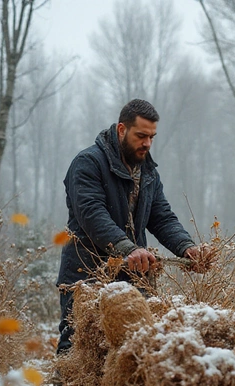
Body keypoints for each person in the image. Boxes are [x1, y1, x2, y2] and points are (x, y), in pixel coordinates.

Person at [56, 99, 210, 354]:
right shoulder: (87, 163)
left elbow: (162, 217)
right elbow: (92, 214)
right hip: (86, 276)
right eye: (141, 136)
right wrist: (128, 249)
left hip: (135, 279)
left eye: (152, 137)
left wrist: (186, 248)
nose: (147, 143)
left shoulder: (148, 172)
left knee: (134, 351)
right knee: (76, 350)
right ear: (121, 130)